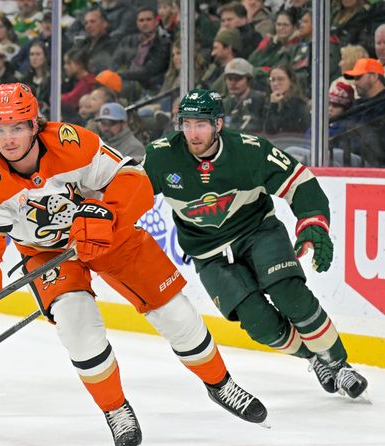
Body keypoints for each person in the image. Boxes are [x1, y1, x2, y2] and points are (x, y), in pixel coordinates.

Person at [0, 83, 268, 446]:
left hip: (109, 234)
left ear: (34, 124)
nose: (8, 139)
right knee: (76, 326)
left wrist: (108, 214)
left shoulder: (72, 142)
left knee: (177, 314)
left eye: (17, 127)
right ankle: (115, 409)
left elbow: (133, 179)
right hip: (46, 254)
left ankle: (220, 383)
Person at [141, 89, 368, 400]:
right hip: (208, 253)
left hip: (257, 231)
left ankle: (340, 365)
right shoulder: (161, 155)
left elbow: (299, 182)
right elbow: (128, 193)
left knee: (291, 295)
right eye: (187, 124)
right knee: (259, 324)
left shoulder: (249, 151)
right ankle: (314, 359)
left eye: (202, 125)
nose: (193, 134)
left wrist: (313, 223)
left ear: (218, 124)